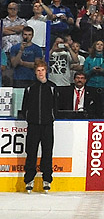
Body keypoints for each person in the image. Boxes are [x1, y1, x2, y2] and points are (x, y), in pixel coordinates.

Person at [20, 60, 58, 193]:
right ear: (35, 72)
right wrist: (30, 118)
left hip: (47, 125)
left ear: (46, 71)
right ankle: (29, 179)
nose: (40, 73)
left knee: (47, 153)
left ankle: (46, 179)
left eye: (42, 70)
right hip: (33, 125)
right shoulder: (30, 88)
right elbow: (24, 107)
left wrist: (51, 117)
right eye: (38, 70)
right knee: (31, 153)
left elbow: (56, 106)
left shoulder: (52, 87)